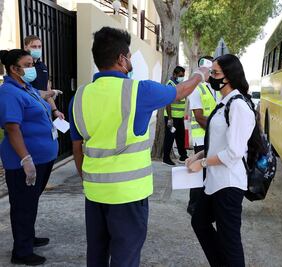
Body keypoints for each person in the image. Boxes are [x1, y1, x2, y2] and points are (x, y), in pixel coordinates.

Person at [69, 26, 209, 267]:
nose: (131, 60)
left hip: (94, 193)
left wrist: (87, 179)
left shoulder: (79, 96)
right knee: (125, 256)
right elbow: (181, 91)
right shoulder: (139, 91)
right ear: (122, 59)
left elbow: (77, 147)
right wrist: (200, 74)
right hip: (128, 196)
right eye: (130, 55)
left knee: (97, 253)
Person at [186, 54, 256, 267]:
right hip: (215, 182)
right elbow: (217, 142)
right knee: (199, 222)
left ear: (230, 76)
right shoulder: (224, 102)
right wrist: (198, 156)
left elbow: (234, 152)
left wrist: (204, 163)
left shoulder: (239, 106)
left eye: (215, 74)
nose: (212, 78)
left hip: (229, 184)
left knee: (230, 242)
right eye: (212, 74)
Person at [0, 49, 59, 265]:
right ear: (14, 69)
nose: (32, 67)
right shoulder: (8, 92)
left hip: (43, 158)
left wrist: (51, 96)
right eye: (27, 64)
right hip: (25, 162)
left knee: (30, 202)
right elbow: (12, 128)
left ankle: (28, 238)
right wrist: (26, 159)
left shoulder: (25, 88)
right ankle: (21, 252)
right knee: (23, 205)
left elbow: (41, 97)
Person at [186, 56, 220, 216]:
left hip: (212, 136)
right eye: (210, 70)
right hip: (202, 137)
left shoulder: (213, 88)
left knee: (208, 172)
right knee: (199, 173)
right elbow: (199, 117)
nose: (212, 72)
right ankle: (193, 206)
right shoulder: (196, 89)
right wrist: (218, 130)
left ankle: (204, 205)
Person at [24, 35, 65, 120]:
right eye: (34, 46)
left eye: (39, 46)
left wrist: (55, 110)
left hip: (45, 111)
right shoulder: (22, 67)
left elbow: (47, 91)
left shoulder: (42, 66)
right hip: (29, 111)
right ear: (25, 47)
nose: (37, 49)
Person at [162, 66, 188, 166]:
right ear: (175, 75)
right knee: (169, 137)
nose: (182, 77)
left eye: (183, 76)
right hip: (171, 117)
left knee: (180, 137)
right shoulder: (170, 84)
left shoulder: (180, 84)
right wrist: (169, 119)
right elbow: (168, 102)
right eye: (180, 76)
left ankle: (183, 156)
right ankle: (166, 158)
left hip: (179, 116)